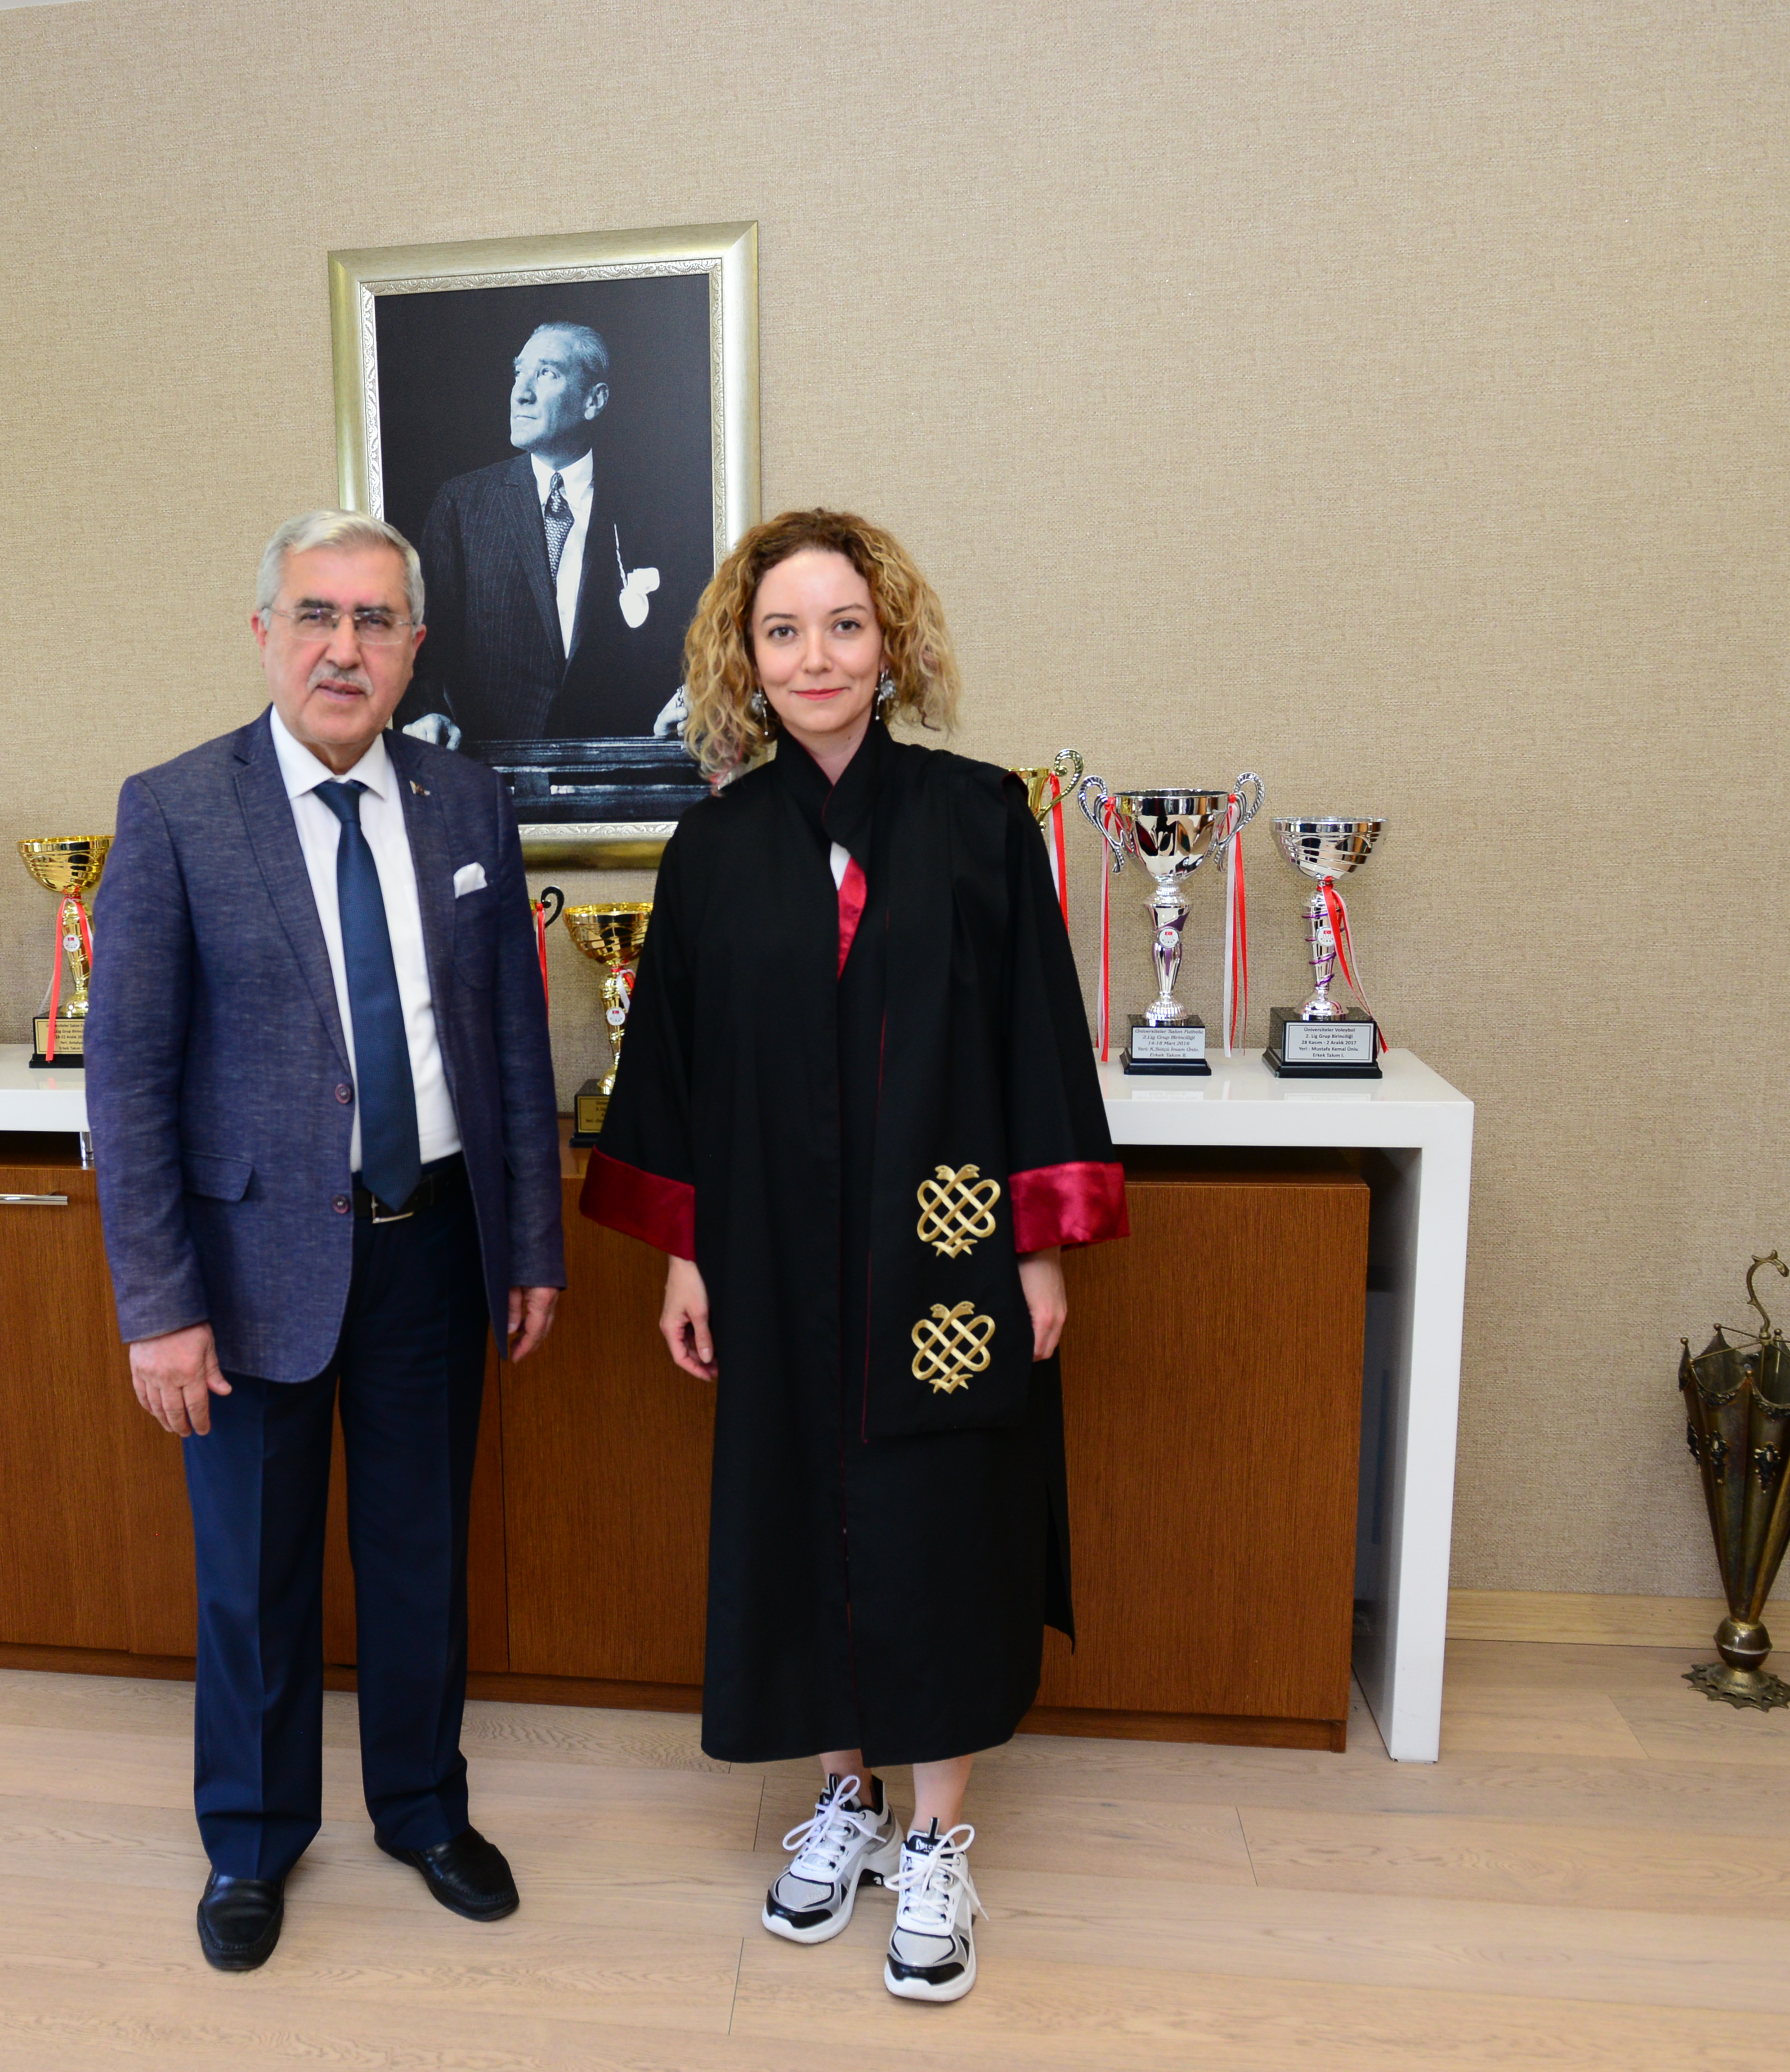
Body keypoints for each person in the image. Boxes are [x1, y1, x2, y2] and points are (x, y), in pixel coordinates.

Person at [576, 508, 1126, 2005]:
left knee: (940, 1519)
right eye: (782, 631)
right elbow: (673, 1068)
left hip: (946, 1249)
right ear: (744, 660)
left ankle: (937, 1834)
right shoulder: (714, 848)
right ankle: (846, 1796)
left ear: (891, 646)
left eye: (843, 626)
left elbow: (1034, 1036)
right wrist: (686, 1255)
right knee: (802, 1507)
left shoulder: (977, 819)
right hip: (772, 1252)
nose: (814, 656)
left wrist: (1041, 1246)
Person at [88, 508, 568, 1974]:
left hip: (434, 1246)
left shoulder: (468, 803)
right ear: (264, 635)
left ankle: (424, 1810)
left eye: (374, 620)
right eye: (316, 615)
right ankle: (250, 1841)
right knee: (253, 1576)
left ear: (415, 647)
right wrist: (157, 1305)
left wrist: (531, 1246)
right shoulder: (178, 810)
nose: (343, 648)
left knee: (422, 1558)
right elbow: (129, 1078)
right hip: (246, 1274)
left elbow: (512, 1042)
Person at [401, 321, 692, 744]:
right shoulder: (462, 505)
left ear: (594, 400)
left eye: (547, 373)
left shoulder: (654, 507)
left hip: (620, 763)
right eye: (519, 373)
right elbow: (422, 640)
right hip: (494, 767)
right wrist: (428, 713)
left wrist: (687, 701)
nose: (521, 392)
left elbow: (691, 635)